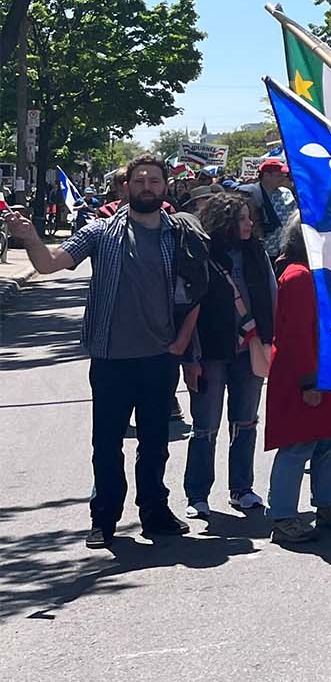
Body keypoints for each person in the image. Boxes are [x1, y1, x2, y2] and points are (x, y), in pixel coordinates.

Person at [7, 154, 207, 548]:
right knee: (106, 443)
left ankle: (155, 512)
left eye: (154, 181)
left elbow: (199, 290)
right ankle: (104, 518)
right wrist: (29, 237)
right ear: (126, 187)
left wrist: (183, 344)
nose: (146, 187)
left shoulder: (179, 235)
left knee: (155, 444)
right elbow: (48, 265)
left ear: (165, 188)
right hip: (111, 358)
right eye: (140, 181)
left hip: (159, 358)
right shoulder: (99, 233)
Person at [264, 216, 331, 545]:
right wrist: (309, 381)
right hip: (306, 372)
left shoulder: (314, 273)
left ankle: (328, 505)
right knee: (297, 446)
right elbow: (299, 334)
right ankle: (283, 515)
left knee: (329, 442)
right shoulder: (299, 277)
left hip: (327, 368)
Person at [183, 190, 277, 518]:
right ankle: (197, 494)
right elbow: (190, 307)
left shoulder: (257, 252)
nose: (249, 223)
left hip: (248, 349)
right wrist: (190, 357)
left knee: (246, 422)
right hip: (211, 351)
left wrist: (269, 337)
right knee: (205, 425)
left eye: (249, 217)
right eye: (241, 218)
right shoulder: (203, 254)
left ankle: (242, 489)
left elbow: (271, 294)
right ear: (225, 222)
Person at [239, 156, 297, 260]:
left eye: (284, 175)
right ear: (266, 175)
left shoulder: (286, 193)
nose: (283, 178)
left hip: (283, 250)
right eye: (279, 175)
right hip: (260, 250)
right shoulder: (250, 194)